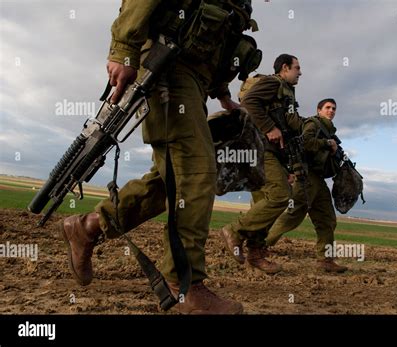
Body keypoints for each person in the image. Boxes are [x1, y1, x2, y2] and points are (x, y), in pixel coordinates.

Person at [59, 0, 260, 314]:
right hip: (167, 65)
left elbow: (222, 39)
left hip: (194, 79)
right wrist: (124, 48)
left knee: (174, 180)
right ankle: (184, 284)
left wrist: (223, 93)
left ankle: (89, 226)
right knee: (195, 172)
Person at [220, 54, 304, 274]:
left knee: (263, 203)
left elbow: (285, 132)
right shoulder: (272, 82)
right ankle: (234, 230)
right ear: (285, 68)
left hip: (272, 153)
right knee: (280, 196)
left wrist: (287, 168)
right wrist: (268, 127)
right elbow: (249, 102)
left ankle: (256, 254)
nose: (300, 72)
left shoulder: (287, 93)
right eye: (297, 68)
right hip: (261, 149)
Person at [265, 98, 348, 273]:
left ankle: (325, 260)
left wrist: (334, 150)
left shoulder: (330, 131)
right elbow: (306, 142)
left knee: (327, 219)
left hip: (319, 180)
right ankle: (259, 245)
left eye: (334, 108)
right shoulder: (314, 123)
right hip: (306, 178)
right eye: (327, 107)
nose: (331, 110)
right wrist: (327, 144)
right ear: (319, 110)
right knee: (292, 216)